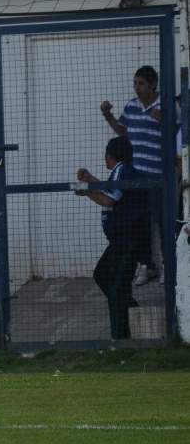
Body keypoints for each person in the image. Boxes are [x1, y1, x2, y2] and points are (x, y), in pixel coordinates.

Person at [100, 65, 175, 286]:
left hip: (159, 176)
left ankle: (168, 268)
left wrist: (164, 120)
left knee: (163, 222)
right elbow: (123, 131)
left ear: (153, 84)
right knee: (139, 222)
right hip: (136, 177)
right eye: (135, 83)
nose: (137, 88)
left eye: (141, 83)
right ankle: (147, 266)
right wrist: (108, 116)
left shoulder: (165, 105)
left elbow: (177, 134)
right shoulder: (131, 106)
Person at [75, 137, 147, 340]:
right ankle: (129, 309)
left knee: (115, 286)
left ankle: (121, 336)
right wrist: (90, 179)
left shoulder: (123, 170)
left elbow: (109, 198)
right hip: (122, 240)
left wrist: (86, 191)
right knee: (103, 275)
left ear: (110, 155)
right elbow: (111, 188)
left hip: (128, 239)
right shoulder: (121, 171)